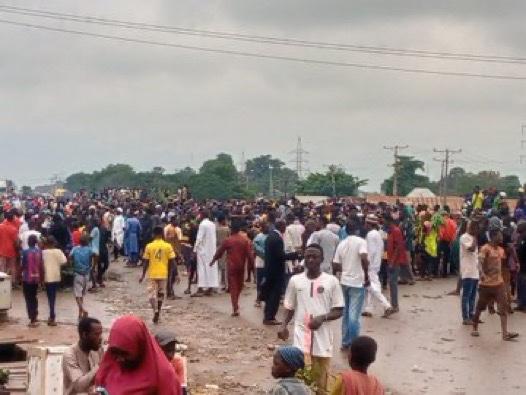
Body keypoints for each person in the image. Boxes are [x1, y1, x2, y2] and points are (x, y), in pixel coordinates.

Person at [278, 244, 344, 395]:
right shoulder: (295, 281)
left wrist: (322, 318)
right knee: (302, 377)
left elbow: (339, 309)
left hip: (323, 339)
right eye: (308, 256)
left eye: (314, 256)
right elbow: (289, 306)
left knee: (322, 381)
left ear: (321, 259)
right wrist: (283, 326)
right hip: (301, 336)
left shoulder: (331, 281)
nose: (311, 259)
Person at [95, 315, 182, 395]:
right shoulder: (109, 366)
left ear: (140, 347)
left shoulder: (163, 376)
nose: (119, 359)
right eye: (114, 352)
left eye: (125, 354)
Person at [471, 229, 519, 341]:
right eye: (499, 235)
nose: (501, 237)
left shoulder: (501, 250)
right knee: (480, 307)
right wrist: (482, 273)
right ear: (493, 236)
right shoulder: (485, 249)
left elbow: (501, 264)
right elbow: (479, 263)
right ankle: (474, 328)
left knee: (503, 308)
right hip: (486, 285)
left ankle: (505, 333)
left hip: (499, 284)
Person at [333, 220, 370, 350]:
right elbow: (364, 258)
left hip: (344, 281)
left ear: (346, 230)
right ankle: (354, 344)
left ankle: (345, 342)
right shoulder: (361, 242)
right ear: (357, 230)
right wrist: (366, 275)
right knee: (354, 315)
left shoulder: (342, 244)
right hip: (357, 282)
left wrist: (347, 269)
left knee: (346, 313)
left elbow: (336, 264)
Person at [210, 219, 254, 316]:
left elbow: (219, 252)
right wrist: (253, 267)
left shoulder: (228, 240)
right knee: (239, 286)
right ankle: (236, 305)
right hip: (241, 267)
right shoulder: (245, 240)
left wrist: (213, 261)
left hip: (232, 267)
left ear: (231, 229)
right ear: (238, 230)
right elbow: (249, 255)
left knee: (233, 287)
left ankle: (235, 307)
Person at [263, 219, 300, 325]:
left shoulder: (271, 236)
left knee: (270, 294)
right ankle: (270, 317)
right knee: (275, 294)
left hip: (270, 270)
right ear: (282, 226)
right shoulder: (277, 239)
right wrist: (294, 255)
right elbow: (280, 256)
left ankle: (268, 315)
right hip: (276, 271)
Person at [140, 226, 178, 324]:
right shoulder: (168, 246)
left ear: (153, 234)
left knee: (151, 294)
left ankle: (155, 310)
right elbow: (173, 261)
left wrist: (143, 274)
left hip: (152, 274)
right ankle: (159, 311)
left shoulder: (149, 246)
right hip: (163, 273)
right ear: (162, 234)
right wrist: (177, 274)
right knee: (161, 294)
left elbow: (146, 262)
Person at [63, 317, 104, 395]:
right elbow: (79, 386)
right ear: (84, 335)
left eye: (101, 334)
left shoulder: (98, 350)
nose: (101, 338)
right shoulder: (70, 354)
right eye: (97, 334)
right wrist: (100, 365)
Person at [363, 215, 393, 318]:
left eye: (366, 223)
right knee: (374, 285)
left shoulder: (371, 235)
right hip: (377, 263)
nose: (364, 225)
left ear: (369, 224)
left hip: (371, 264)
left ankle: (386, 305)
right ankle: (369, 309)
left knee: (369, 286)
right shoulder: (378, 234)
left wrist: (366, 264)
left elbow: (370, 252)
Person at [42, 236, 67, 326]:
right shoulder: (58, 252)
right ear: (54, 243)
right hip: (56, 276)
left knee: (50, 297)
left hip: (47, 277)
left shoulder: (43, 252)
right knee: (53, 297)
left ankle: (52, 315)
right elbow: (64, 262)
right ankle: (52, 316)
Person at [155, 330, 188, 395]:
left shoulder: (177, 362)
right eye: (167, 351)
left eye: (173, 350)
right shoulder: (151, 364)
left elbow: (182, 389)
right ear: (156, 349)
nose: (171, 355)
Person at [193, 210, 218, 296]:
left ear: (202, 215)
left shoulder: (202, 224)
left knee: (201, 268)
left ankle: (200, 288)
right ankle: (210, 288)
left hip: (203, 250)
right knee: (211, 268)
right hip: (212, 250)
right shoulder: (212, 224)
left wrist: (195, 250)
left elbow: (199, 238)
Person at [21, 234, 43, 327]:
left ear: (28, 242)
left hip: (27, 278)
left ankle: (32, 318)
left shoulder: (25, 252)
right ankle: (35, 315)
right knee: (34, 297)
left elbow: (23, 265)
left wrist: (19, 275)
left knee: (28, 298)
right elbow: (41, 265)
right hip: (36, 278)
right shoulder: (39, 251)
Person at [459, 221, 479, 325]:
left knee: (473, 295)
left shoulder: (473, 238)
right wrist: (475, 237)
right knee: (466, 295)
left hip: (475, 271)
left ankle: (472, 315)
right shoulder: (464, 237)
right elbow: (471, 249)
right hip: (467, 271)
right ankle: (465, 317)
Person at [70, 235, 93, 320]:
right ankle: (80, 314)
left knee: (77, 295)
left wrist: (73, 263)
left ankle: (82, 310)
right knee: (82, 295)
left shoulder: (75, 249)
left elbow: (70, 256)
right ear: (87, 242)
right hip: (86, 274)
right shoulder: (89, 249)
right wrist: (92, 266)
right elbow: (95, 255)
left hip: (77, 273)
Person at [164, 215, 183, 299]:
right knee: (171, 273)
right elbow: (174, 242)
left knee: (172, 273)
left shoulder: (172, 228)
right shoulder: (171, 229)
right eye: (176, 220)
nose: (178, 222)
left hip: (172, 253)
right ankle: (169, 292)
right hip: (171, 254)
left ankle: (170, 291)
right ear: (172, 221)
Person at [0, 211, 20, 281]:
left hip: (2, 250)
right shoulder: (14, 229)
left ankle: (2, 281)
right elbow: (17, 243)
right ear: (12, 219)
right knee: (12, 267)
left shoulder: (0, 226)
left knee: (2, 266)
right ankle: (13, 282)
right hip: (11, 251)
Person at [253, 221, 269, 307]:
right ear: (262, 228)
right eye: (265, 227)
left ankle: (266, 298)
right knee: (260, 282)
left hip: (268, 262)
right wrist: (264, 253)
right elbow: (255, 247)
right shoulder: (258, 237)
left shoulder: (271, 237)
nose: (267, 228)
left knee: (267, 281)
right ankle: (258, 299)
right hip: (260, 262)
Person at [215, 213, 230, 291]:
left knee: (217, 266)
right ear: (223, 220)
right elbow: (229, 239)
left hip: (217, 248)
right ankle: (223, 283)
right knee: (224, 267)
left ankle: (216, 283)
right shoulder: (227, 229)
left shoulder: (216, 229)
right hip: (225, 249)